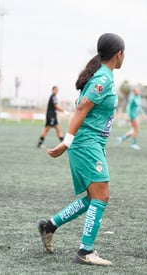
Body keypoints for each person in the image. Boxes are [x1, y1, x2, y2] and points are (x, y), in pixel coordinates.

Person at [37, 33, 125, 266]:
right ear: (119, 54)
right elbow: (81, 110)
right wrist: (66, 142)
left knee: (93, 197)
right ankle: (85, 251)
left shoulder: (103, 76)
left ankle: (50, 225)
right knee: (102, 195)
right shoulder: (103, 79)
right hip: (86, 143)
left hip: (91, 143)